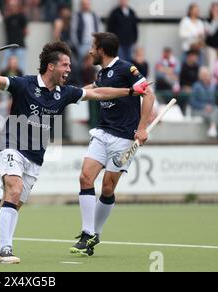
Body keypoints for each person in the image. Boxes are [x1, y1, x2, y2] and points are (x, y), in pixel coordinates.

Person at [0, 40, 149, 264]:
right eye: (65, 65)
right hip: (12, 144)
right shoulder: (24, 84)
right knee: (14, 188)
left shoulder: (66, 93)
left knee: (8, 204)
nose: (69, 69)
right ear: (51, 66)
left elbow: (98, 93)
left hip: (35, 156)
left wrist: (130, 91)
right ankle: (4, 250)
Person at [70, 32, 155, 257]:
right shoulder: (103, 73)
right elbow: (95, 88)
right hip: (102, 132)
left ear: (102, 50)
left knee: (108, 187)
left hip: (124, 137)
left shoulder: (128, 69)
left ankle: (95, 233)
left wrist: (143, 127)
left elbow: (149, 95)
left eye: (92, 47)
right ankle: (87, 232)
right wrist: (68, 94)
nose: (89, 51)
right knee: (85, 177)